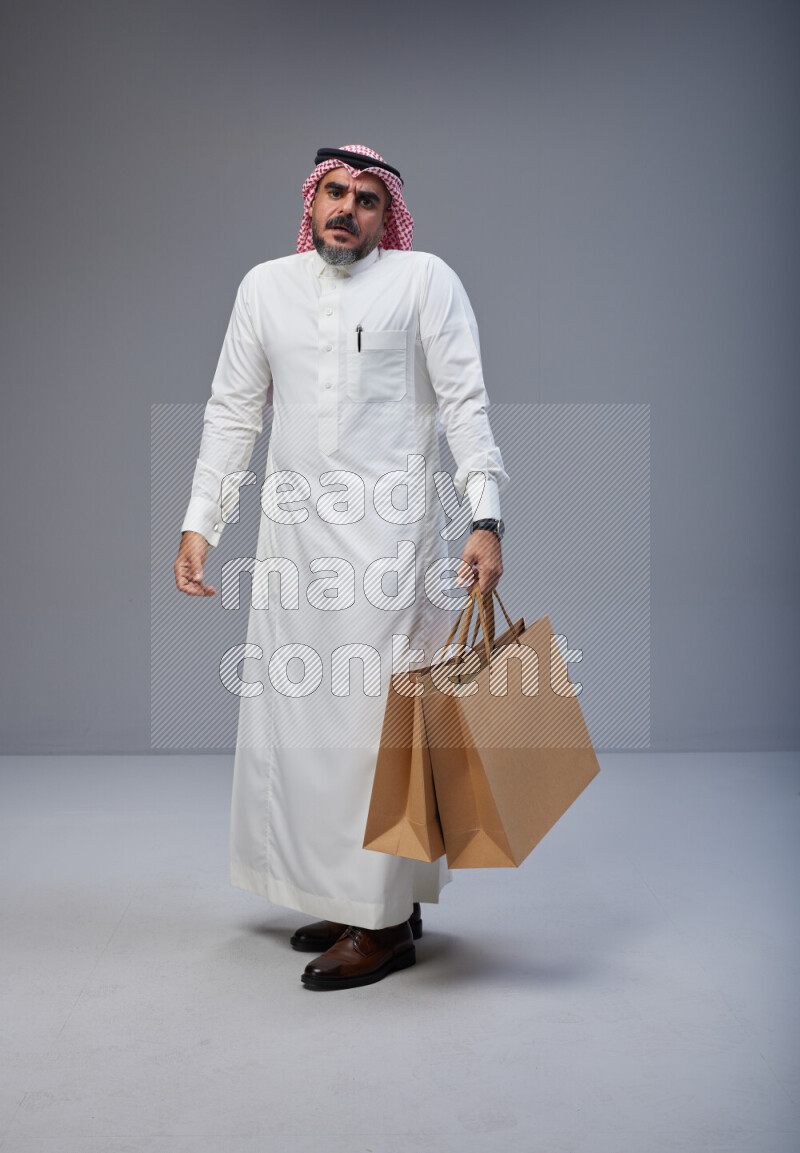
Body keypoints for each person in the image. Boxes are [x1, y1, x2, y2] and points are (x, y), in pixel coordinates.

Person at [174, 144, 508, 990]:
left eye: (366, 198)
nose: (346, 209)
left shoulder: (424, 281)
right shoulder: (265, 289)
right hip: (294, 551)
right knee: (304, 733)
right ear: (311, 200)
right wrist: (201, 522)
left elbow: (465, 403)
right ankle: (355, 894)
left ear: (386, 213)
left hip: (391, 547)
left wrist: (485, 517)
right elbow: (233, 410)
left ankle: (383, 922)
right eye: (334, 192)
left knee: (376, 734)